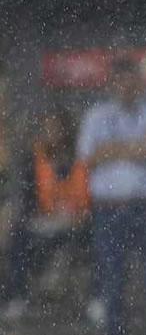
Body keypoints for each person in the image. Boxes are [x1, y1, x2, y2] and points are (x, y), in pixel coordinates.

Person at [76, 56, 146, 335]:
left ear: (140, 82)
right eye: (120, 80)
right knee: (111, 279)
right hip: (108, 208)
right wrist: (129, 148)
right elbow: (87, 158)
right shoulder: (96, 115)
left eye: (131, 80)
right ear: (112, 84)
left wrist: (111, 149)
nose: (126, 86)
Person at [3, 107, 90, 322]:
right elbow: (27, 197)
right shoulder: (33, 159)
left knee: (100, 236)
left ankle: (94, 300)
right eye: (48, 128)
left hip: (76, 222)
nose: (53, 133)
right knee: (18, 240)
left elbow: (89, 194)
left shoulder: (80, 157)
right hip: (44, 222)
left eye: (56, 128)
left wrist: (80, 215)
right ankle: (17, 297)